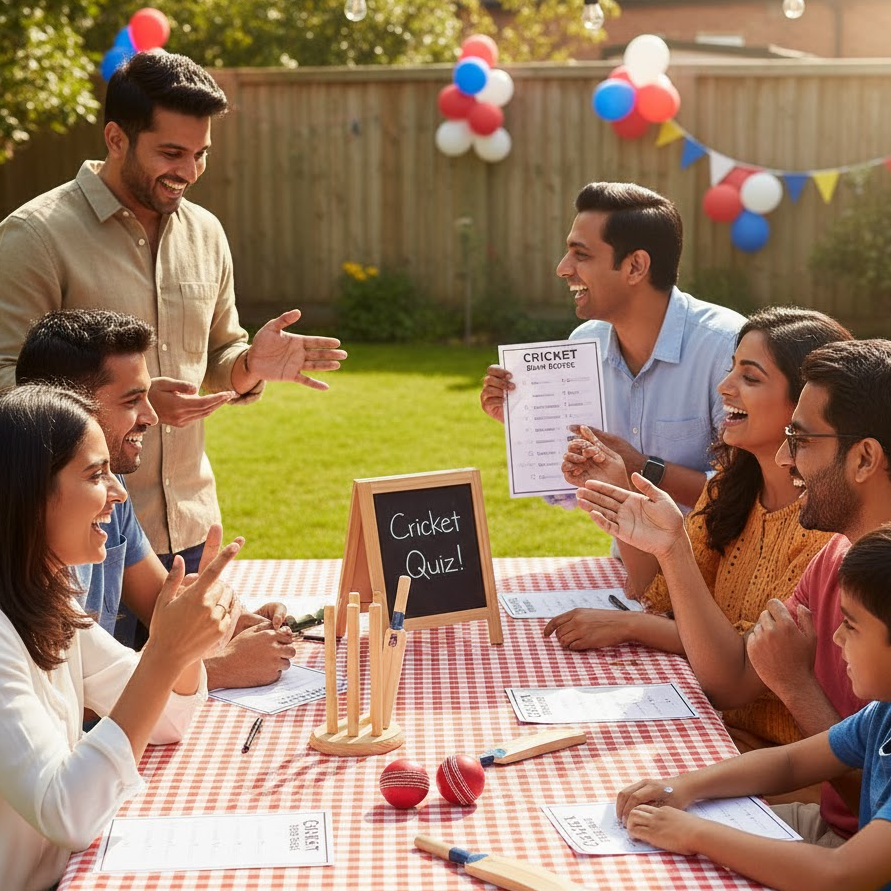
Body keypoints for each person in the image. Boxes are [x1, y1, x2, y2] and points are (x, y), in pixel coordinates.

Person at [0, 50, 348, 573]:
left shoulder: (206, 233)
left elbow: (218, 352)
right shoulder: (35, 236)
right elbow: (8, 382)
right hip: (76, 540)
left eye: (200, 153)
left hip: (191, 526)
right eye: (170, 153)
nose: (188, 171)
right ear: (116, 139)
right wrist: (125, 402)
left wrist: (251, 362)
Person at [579, 338, 891, 840]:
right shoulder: (836, 553)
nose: (786, 458)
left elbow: (871, 803)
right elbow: (735, 680)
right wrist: (672, 548)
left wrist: (794, 685)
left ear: (864, 459)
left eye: (803, 439)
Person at [545, 308, 852, 750]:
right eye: (730, 370)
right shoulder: (733, 485)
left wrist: (630, 624)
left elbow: (735, 675)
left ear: (804, 405)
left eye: (750, 377)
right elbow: (660, 592)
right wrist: (617, 490)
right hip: (711, 724)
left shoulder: (824, 528)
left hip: (773, 756)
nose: (724, 387)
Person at [0, 383, 241, 891]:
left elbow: (169, 720)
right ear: (28, 496)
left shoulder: (48, 596)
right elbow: (66, 811)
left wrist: (183, 644)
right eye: (96, 474)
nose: (119, 492)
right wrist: (166, 650)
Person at [16, 309, 296, 688]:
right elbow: (73, 690)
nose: (151, 416)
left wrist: (226, 621)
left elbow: (160, 608)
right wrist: (217, 670)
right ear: (67, 407)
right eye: (132, 401)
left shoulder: (114, 490)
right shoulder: (24, 525)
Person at [615, 525, 891, 890]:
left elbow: (839, 873)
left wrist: (695, 834)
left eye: (852, 626)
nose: (837, 637)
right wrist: (682, 787)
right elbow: (789, 763)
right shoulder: (882, 713)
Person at [480, 181, 744, 513]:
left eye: (581, 254)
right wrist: (528, 424)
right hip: (630, 561)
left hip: (713, 564)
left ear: (635, 267)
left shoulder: (726, 347)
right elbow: (570, 490)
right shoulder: (583, 343)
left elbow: (745, 496)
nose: (562, 268)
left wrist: (641, 467)